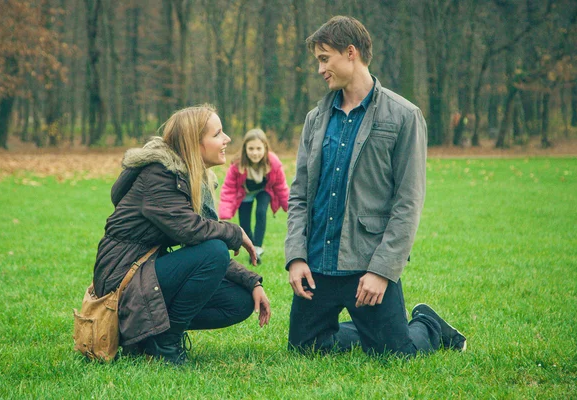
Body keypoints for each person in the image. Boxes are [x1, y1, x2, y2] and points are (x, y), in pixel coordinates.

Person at [285, 16, 466, 357]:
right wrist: (296, 256)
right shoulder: (315, 119)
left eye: (325, 59)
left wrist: (382, 271)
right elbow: (299, 194)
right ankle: (368, 328)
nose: (320, 69)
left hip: (366, 266)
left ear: (350, 53)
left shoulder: (404, 116)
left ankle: (426, 324)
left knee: (396, 354)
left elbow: (408, 201)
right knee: (304, 349)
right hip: (318, 266)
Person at [92, 104, 271, 366]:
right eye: (218, 133)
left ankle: (150, 336)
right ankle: (165, 343)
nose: (227, 139)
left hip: (146, 271)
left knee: (240, 302)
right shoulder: (159, 176)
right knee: (215, 251)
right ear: (195, 143)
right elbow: (192, 231)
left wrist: (252, 282)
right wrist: (235, 231)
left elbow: (205, 243)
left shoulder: (192, 177)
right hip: (121, 279)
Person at [219, 128, 289, 264]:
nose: (255, 153)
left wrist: (288, 206)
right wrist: (225, 212)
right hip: (245, 193)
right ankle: (251, 247)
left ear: (265, 148)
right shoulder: (238, 164)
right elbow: (229, 189)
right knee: (244, 223)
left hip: (264, 190)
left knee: (261, 212)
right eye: (251, 149)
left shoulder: (273, 162)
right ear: (245, 149)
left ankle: (257, 248)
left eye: (258, 148)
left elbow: (281, 187)